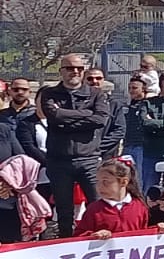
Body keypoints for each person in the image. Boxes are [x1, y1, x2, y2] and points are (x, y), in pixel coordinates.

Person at [39, 55, 110, 237]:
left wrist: (65, 117)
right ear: (61, 71)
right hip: (59, 161)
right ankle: (66, 245)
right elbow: (54, 117)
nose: (75, 72)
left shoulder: (96, 94)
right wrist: (86, 114)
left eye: (79, 68)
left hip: (88, 159)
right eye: (70, 68)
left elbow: (100, 119)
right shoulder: (49, 94)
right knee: (64, 211)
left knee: (99, 205)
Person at [75, 159, 151, 238]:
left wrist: (159, 229)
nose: (99, 186)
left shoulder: (139, 206)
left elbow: (145, 234)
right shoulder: (94, 209)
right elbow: (79, 235)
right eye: (98, 181)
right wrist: (94, 235)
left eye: (106, 181)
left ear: (123, 182)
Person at [0, 152, 49, 244]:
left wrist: (10, 179)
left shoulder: (6, 136)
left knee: (12, 237)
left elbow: (21, 155)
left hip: (12, 195)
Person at [85, 69, 125, 158]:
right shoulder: (77, 104)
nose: (94, 81)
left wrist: (98, 148)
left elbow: (119, 131)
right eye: (90, 78)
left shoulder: (114, 104)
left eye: (98, 78)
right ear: (83, 80)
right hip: (83, 156)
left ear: (103, 80)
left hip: (107, 156)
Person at [122, 75, 151, 189]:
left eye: (134, 88)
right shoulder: (129, 106)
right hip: (128, 144)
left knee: (140, 177)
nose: (131, 91)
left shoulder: (147, 106)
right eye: (129, 88)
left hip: (141, 146)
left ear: (143, 90)